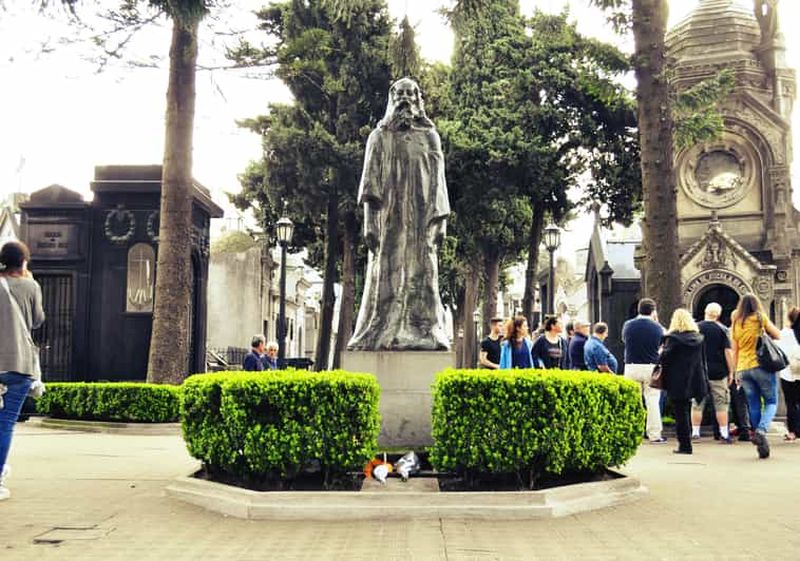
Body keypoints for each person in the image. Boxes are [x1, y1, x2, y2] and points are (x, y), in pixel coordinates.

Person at [0, 241, 45, 501]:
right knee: (5, 423)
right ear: (24, 262)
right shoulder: (30, 285)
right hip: (18, 365)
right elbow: (38, 320)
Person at [731, 293, 781, 459]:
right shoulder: (760, 318)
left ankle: (760, 439)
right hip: (762, 366)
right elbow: (777, 334)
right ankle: (761, 430)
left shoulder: (737, 323)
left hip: (743, 368)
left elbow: (735, 349)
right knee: (771, 401)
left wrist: (735, 371)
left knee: (753, 404)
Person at [661, 309, 709, 455]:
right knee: (687, 410)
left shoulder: (673, 339)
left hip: (677, 380)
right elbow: (703, 360)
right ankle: (686, 443)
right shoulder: (699, 338)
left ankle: (685, 445)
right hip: (694, 379)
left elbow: (665, 359)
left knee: (680, 413)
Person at [622, 298, 667, 443]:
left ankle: (630, 433)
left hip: (631, 366)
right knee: (652, 401)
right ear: (653, 311)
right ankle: (654, 434)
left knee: (632, 400)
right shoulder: (658, 327)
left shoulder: (628, 325)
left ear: (638, 309)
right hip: (650, 367)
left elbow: (624, 340)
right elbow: (663, 344)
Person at [691, 303, 736, 444]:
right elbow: (727, 352)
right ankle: (724, 433)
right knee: (721, 403)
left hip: (699, 371)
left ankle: (695, 433)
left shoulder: (695, 328)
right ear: (718, 314)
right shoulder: (722, 330)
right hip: (718, 371)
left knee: (697, 402)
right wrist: (731, 372)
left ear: (705, 311)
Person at [775, 307, 800, 442]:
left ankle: (793, 431)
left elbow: (778, 350)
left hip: (788, 372)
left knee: (791, 402)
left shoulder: (784, 333)